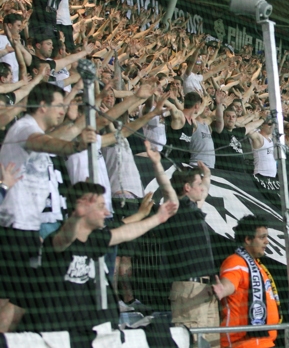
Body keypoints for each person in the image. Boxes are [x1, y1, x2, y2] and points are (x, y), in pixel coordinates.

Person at [0, 82, 96, 332]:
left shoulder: (39, 130)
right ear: (42, 106)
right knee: (8, 298)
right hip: (12, 229)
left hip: (29, 229)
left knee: (21, 299)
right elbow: (43, 143)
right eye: (59, 105)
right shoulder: (24, 128)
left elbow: (73, 129)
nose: (63, 110)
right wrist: (76, 147)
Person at [42, 182, 177, 347]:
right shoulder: (59, 242)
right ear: (82, 208)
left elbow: (125, 231)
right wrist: (77, 216)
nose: (106, 212)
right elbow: (65, 237)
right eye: (101, 206)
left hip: (96, 336)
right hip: (65, 338)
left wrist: (158, 218)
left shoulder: (94, 241)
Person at [161, 150, 220, 346]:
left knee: (212, 343)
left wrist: (207, 176)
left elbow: (203, 194)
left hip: (206, 288)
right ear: (187, 187)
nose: (202, 188)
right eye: (198, 184)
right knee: (194, 343)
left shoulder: (193, 209)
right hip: (189, 290)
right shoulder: (176, 209)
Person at [211, 215, 281, 348]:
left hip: (264, 342)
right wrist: (223, 289)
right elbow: (229, 282)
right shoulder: (235, 262)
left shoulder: (258, 266)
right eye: (262, 237)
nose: (267, 242)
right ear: (248, 239)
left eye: (267, 237)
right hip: (244, 344)